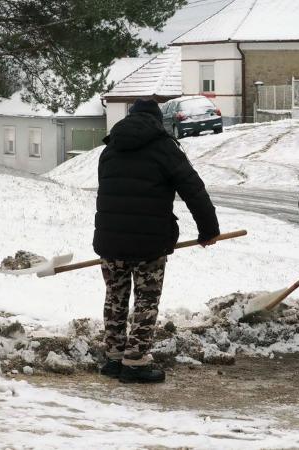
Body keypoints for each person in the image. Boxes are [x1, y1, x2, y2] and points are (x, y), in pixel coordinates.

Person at [93, 99, 220, 383]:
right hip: (149, 243)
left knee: (115, 297)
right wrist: (208, 230)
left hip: (110, 239)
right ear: (156, 121)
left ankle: (114, 357)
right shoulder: (165, 148)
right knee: (146, 300)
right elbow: (193, 189)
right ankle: (135, 361)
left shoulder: (110, 149)